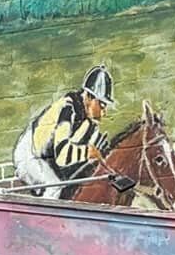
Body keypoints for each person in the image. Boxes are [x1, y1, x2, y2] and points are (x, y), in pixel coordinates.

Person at [13, 66, 116, 199]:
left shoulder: (89, 122)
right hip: (30, 155)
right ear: (89, 97)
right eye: (101, 105)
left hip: (48, 159)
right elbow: (62, 156)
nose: (103, 112)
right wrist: (88, 152)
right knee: (55, 186)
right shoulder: (67, 109)